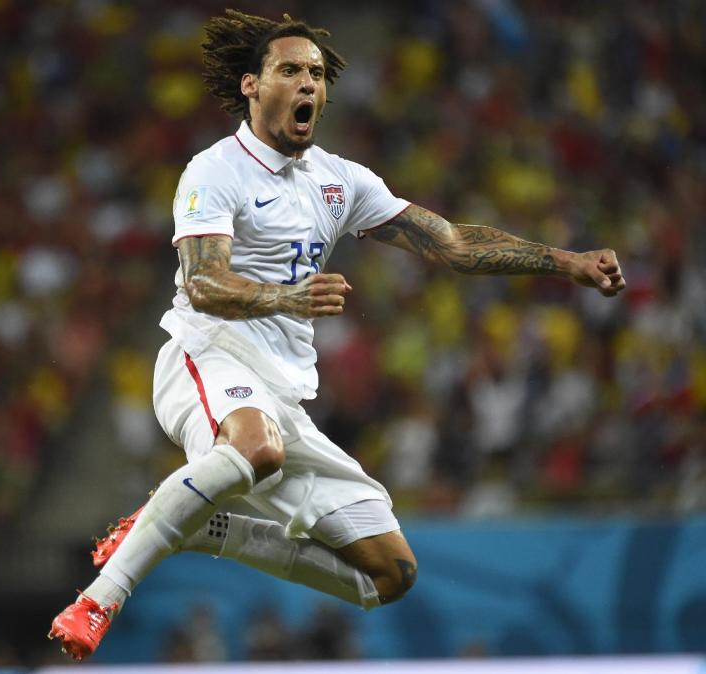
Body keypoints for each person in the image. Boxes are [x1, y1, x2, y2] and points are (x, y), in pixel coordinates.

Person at [48, 10, 626, 660]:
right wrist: (284, 296)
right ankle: (101, 597)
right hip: (205, 355)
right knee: (255, 446)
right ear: (251, 85)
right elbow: (204, 283)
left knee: (390, 575)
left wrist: (566, 261)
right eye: (290, 71)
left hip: (284, 398)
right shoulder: (212, 172)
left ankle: (202, 528)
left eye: (316, 75)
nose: (307, 85)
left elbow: (456, 244)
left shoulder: (340, 181)